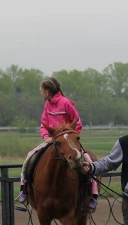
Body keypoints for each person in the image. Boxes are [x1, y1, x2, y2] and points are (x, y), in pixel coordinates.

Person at [18, 77, 99, 211]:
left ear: (48, 91)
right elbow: (44, 124)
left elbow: (77, 122)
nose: (41, 93)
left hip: (68, 142)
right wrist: (45, 137)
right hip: (51, 141)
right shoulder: (47, 105)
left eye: (41, 90)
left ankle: (93, 195)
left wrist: (71, 138)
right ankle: (24, 189)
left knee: (88, 160)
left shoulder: (66, 103)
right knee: (30, 156)